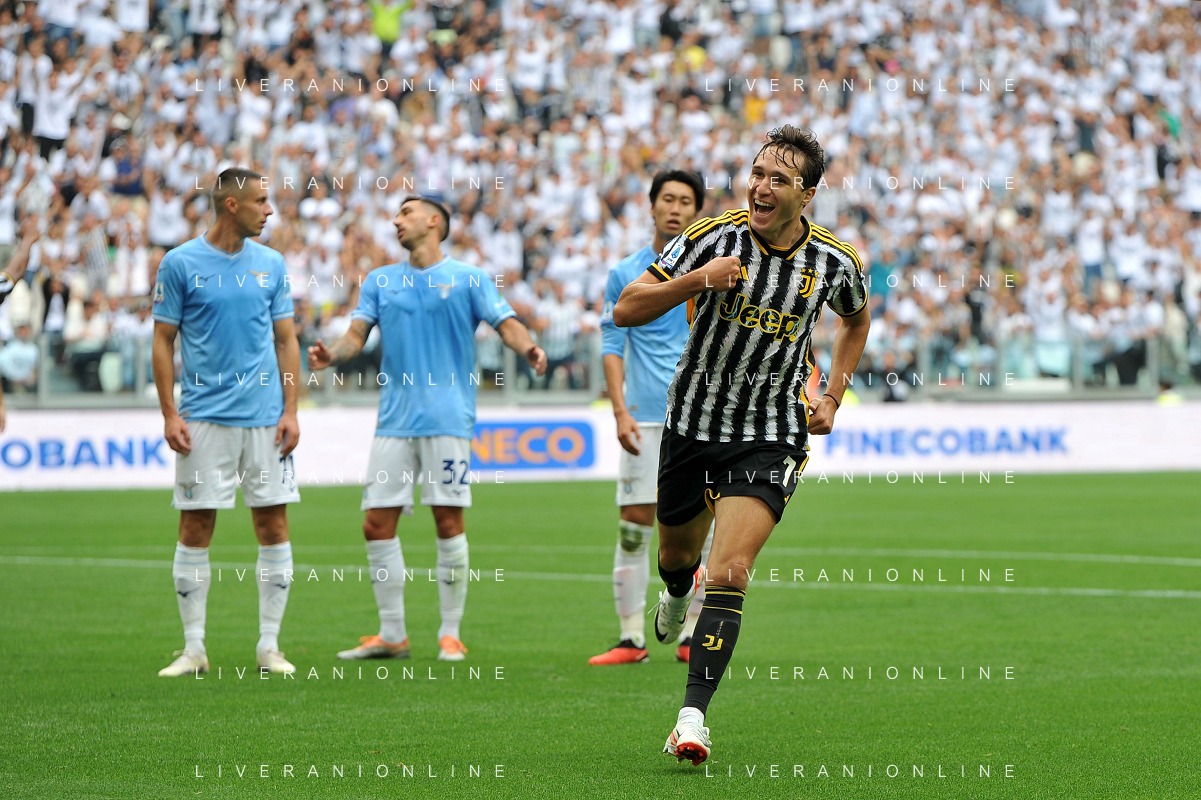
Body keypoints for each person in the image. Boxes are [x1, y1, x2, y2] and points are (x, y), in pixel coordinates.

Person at [613, 126, 870, 765]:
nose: (761, 187)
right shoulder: (711, 238)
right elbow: (627, 308)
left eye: (778, 179)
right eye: (757, 174)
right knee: (676, 557)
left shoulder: (834, 261)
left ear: (806, 196)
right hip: (691, 425)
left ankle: (692, 718)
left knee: (730, 571)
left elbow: (855, 318)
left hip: (769, 434)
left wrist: (833, 395)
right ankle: (676, 592)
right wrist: (699, 281)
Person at [308, 196, 546, 663]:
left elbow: (507, 324)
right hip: (394, 421)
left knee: (448, 520)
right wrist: (331, 354)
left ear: (434, 221)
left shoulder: (469, 278)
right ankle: (392, 634)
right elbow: (356, 335)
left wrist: (530, 349)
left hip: (447, 418)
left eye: (406, 213)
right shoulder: (380, 280)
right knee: (376, 523)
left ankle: (450, 633)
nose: (396, 221)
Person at [151, 167, 302, 678]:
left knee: (273, 525)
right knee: (195, 525)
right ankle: (193, 648)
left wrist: (291, 410)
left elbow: (286, 340)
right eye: (261, 201)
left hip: (265, 420)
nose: (270, 210)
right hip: (203, 419)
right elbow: (162, 341)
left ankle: (269, 647)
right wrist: (169, 413)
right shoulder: (180, 263)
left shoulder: (272, 264)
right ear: (232, 205)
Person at [590, 169, 715, 666]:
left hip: (701, 416)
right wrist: (619, 410)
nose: (675, 208)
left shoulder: (714, 270)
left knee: (701, 530)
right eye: (668, 199)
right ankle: (630, 639)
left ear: (698, 212)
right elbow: (611, 342)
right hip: (644, 415)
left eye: (685, 201)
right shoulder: (626, 273)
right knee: (633, 527)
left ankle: (690, 634)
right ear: (652, 206)